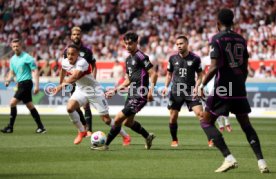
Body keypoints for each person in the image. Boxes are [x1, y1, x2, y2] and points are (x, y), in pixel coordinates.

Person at [198, 9, 269, 173]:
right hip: (239, 87)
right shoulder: (241, 39)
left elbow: (214, 67)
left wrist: (201, 85)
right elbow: (245, 69)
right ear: (233, 22)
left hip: (223, 87)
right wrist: (239, 85)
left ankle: (228, 158)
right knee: (246, 125)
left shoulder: (216, 39)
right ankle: (262, 162)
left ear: (217, 23)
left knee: (205, 121)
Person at [92, 32, 158, 150]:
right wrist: (115, 91)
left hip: (140, 94)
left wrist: (151, 91)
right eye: (126, 44)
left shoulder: (141, 56)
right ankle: (148, 136)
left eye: (130, 43)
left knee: (118, 119)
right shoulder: (128, 60)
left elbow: (154, 74)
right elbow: (128, 80)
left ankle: (105, 144)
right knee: (128, 122)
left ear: (136, 43)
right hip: (131, 94)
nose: (128, 46)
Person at [55, 44, 131, 145]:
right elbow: (63, 70)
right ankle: (82, 131)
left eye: (72, 54)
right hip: (80, 90)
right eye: (68, 54)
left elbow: (75, 77)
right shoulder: (65, 61)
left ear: (78, 55)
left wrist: (60, 86)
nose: (70, 56)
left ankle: (125, 136)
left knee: (106, 120)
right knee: (70, 108)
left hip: (94, 91)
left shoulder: (82, 62)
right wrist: (60, 83)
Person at [161, 35, 204, 147]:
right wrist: (166, 86)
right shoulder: (172, 58)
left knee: (201, 114)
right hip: (176, 91)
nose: (179, 46)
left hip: (190, 91)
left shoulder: (195, 58)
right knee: (173, 117)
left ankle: (211, 139)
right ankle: (174, 139)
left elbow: (200, 75)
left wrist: (197, 87)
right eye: (177, 44)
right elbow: (169, 74)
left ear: (187, 44)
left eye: (181, 43)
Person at [1, 39, 46, 134]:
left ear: (21, 46)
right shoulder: (12, 59)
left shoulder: (27, 57)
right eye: (14, 46)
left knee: (12, 103)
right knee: (30, 105)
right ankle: (41, 127)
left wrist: (37, 86)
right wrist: (8, 80)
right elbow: (12, 72)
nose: (15, 48)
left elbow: (35, 71)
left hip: (26, 83)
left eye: (17, 46)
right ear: (12, 47)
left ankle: (10, 127)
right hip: (20, 84)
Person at [63, 26, 94, 137]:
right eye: (74, 34)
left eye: (78, 34)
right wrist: (65, 81)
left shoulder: (87, 51)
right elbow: (66, 66)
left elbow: (93, 64)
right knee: (75, 106)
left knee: (86, 105)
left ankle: (89, 130)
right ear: (71, 36)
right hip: (72, 81)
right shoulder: (67, 51)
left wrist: (93, 77)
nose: (76, 36)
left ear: (81, 36)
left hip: (84, 82)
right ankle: (83, 126)